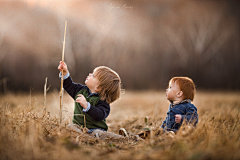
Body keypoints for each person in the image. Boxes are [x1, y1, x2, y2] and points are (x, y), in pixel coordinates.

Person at [58, 61, 124, 140]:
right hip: (79, 127)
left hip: (95, 130)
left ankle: (124, 139)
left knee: (101, 134)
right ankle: (85, 137)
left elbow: (99, 115)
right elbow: (69, 86)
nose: (89, 74)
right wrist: (65, 73)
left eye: (93, 76)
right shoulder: (80, 90)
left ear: (98, 87)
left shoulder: (103, 101)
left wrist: (87, 106)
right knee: (70, 127)